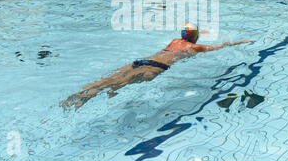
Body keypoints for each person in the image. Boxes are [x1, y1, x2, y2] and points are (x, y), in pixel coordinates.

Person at [61, 23, 254, 110]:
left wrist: (194, 32)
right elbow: (219, 47)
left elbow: (190, 33)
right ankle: (85, 100)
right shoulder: (195, 47)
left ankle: (82, 94)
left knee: (109, 80)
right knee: (120, 85)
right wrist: (239, 42)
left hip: (142, 60)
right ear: (195, 38)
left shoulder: (174, 41)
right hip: (155, 67)